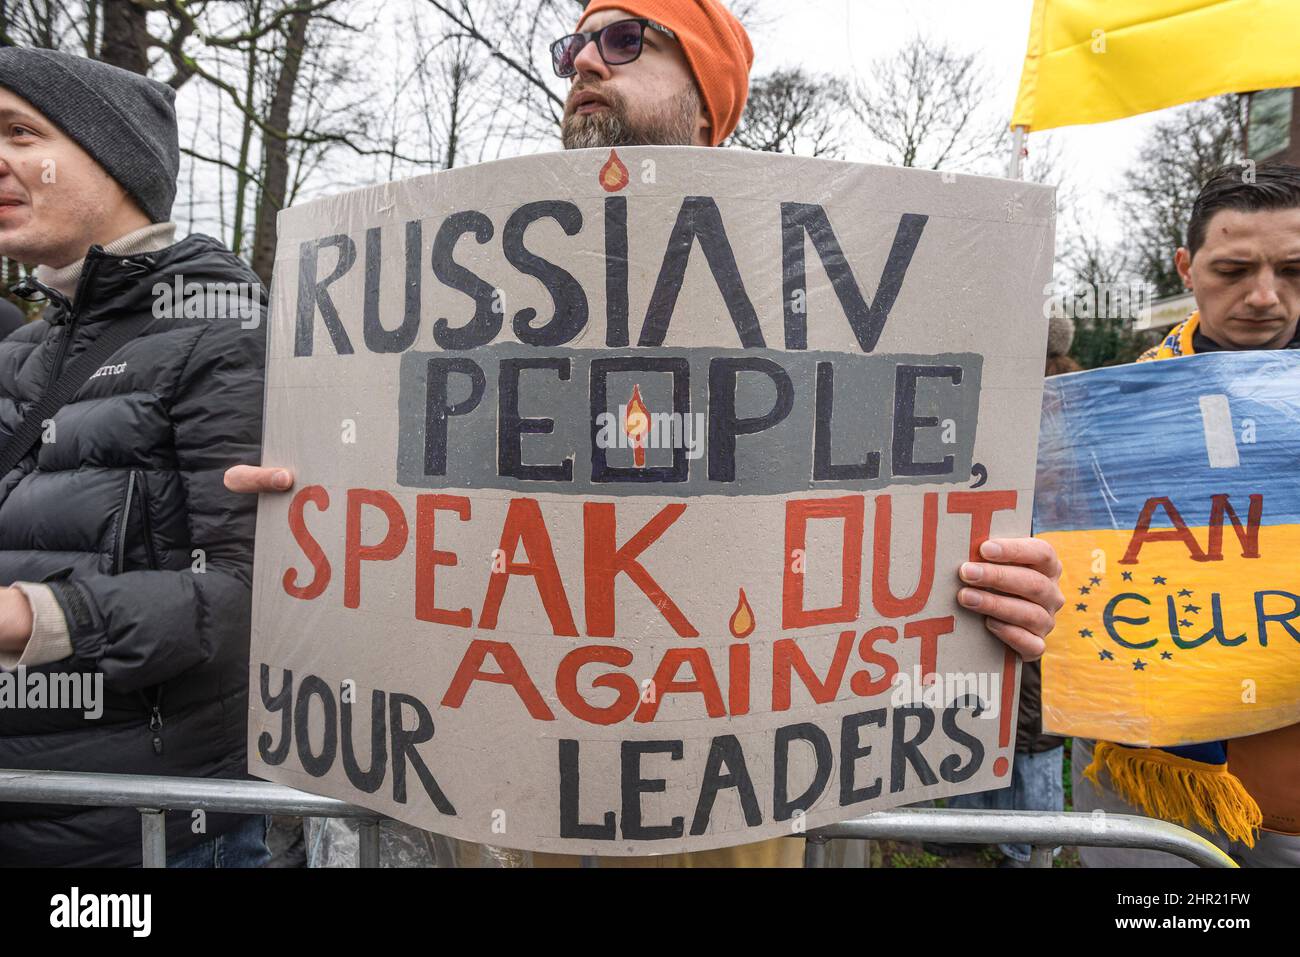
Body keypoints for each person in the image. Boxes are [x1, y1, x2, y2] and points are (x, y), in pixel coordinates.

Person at [229, 0, 1067, 868]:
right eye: (575, 44)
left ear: (708, 100)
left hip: (734, 814)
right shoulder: (467, 283)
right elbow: (409, 487)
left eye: (625, 39)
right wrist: (309, 491)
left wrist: (983, 594)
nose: (587, 62)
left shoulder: (809, 301)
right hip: (509, 799)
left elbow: (886, 521)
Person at [0, 48, 268, 866]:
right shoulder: (24, 351)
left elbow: (252, 599)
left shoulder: (224, 328)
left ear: (114, 159)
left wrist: (33, 618)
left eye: (19, 132)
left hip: (154, 837)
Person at [1073, 162, 1300, 867]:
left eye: (1294, 269)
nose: (1265, 297)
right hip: (1151, 764)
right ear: (1186, 268)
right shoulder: (1101, 414)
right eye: (1234, 269)